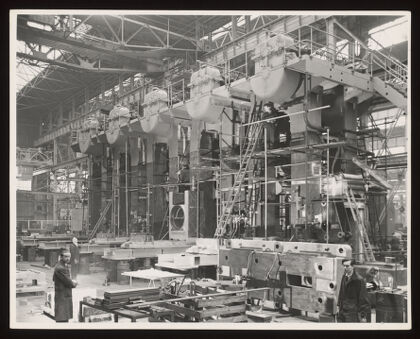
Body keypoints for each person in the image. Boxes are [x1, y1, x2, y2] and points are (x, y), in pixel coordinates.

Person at [53, 249, 78, 322]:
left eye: (69, 257)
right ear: (61, 257)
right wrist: (74, 283)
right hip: (62, 295)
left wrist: (69, 280)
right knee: (62, 317)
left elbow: (55, 279)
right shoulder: (60, 268)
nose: (68, 258)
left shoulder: (61, 265)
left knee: (63, 316)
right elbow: (69, 282)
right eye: (66, 257)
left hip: (62, 294)